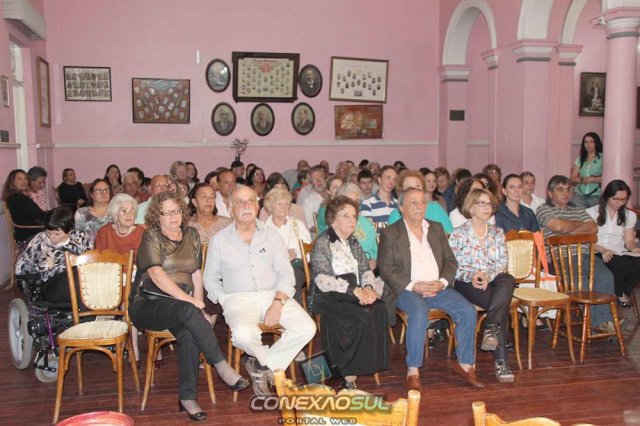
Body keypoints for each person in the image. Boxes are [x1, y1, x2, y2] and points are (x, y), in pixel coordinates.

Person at [128, 191, 248, 421]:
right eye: (167, 212)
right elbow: (156, 274)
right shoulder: (151, 236)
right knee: (187, 310)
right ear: (157, 216)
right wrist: (191, 302)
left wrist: (199, 308)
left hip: (181, 307)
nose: (173, 216)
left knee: (189, 332)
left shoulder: (191, 234)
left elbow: (196, 274)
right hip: (148, 304)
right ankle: (221, 366)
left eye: (177, 211)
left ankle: (187, 398)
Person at [203, 186, 316, 396]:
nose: (246, 206)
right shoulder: (219, 240)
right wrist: (223, 298)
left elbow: (286, 275)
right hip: (237, 299)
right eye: (240, 202)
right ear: (230, 208)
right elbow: (210, 278)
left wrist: (277, 303)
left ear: (257, 206)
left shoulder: (272, 236)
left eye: (251, 201)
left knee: (307, 328)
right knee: (243, 335)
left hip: (273, 295)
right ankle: (271, 365)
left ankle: (261, 365)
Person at [378, 188, 481, 391]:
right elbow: (385, 268)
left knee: (467, 310)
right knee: (419, 311)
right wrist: (413, 285)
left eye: (422, 202)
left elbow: (451, 261)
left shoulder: (435, 228)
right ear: (401, 208)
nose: (419, 207)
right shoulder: (391, 233)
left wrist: (441, 282)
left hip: (437, 288)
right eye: (413, 203)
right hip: (406, 289)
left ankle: (465, 364)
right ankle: (413, 369)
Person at [309, 195, 388, 390]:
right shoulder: (323, 241)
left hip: (353, 289)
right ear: (333, 219)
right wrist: (354, 292)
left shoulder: (352, 241)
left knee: (379, 308)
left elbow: (366, 270)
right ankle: (348, 374)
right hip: (329, 293)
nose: (352, 220)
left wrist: (368, 289)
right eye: (346, 216)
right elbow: (321, 279)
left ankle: (365, 364)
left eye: (354, 216)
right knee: (358, 314)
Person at [449, 188, 516, 383]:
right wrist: (474, 275)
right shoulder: (458, 234)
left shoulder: (497, 233)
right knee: (500, 304)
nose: (487, 208)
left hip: (493, 281)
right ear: (470, 207)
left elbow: (502, 263)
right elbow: (452, 267)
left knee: (508, 279)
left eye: (490, 204)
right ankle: (501, 362)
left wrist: (487, 275)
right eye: (482, 203)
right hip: (466, 282)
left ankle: (490, 328)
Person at [536, 175, 617, 332]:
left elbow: (593, 228)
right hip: (561, 257)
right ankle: (597, 324)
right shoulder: (543, 209)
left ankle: (606, 322)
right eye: (560, 190)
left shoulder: (578, 209)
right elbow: (558, 227)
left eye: (568, 190)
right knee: (583, 283)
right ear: (550, 193)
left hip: (585, 255)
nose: (566, 193)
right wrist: (578, 227)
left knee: (606, 277)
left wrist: (567, 230)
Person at [15, 207, 91, 305]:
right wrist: (45, 265)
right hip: (50, 284)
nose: (52, 237)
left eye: (57, 234)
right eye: (48, 233)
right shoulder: (39, 240)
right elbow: (20, 269)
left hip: (79, 279)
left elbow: (91, 260)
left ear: (70, 230)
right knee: (77, 280)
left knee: (82, 277)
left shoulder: (80, 237)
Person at [586, 180, 640, 307]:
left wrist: (633, 248)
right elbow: (587, 240)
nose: (619, 203)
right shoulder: (591, 213)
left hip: (618, 251)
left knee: (637, 262)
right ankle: (621, 296)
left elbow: (629, 240)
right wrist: (603, 250)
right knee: (622, 264)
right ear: (607, 196)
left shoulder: (629, 215)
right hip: (597, 250)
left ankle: (621, 293)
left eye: (623, 200)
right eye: (616, 199)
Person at [262, 188, 312, 304]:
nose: (284, 208)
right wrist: (283, 255)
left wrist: (295, 254)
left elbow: (309, 253)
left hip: (296, 267)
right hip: (272, 270)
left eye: (287, 204)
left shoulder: (297, 225)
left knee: (291, 279)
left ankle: (289, 309)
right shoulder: (263, 229)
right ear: (270, 206)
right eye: (280, 204)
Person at [387, 170, 453, 234]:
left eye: (417, 186)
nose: (414, 190)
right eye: (409, 187)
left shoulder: (436, 209)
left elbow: (449, 233)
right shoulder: (396, 215)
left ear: (423, 189)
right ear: (401, 191)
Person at [335, 183, 378, 268]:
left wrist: (374, 260)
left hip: (370, 268)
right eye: (349, 202)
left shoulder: (365, 222)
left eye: (356, 202)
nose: (353, 206)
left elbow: (375, 247)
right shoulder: (336, 224)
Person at [2, 169, 46, 242]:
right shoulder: (19, 198)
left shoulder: (13, 196)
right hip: (29, 234)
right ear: (12, 182)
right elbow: (39, 215)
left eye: (25, 178)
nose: (24, 181)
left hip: (26, 232)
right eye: (19, 179)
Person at [360, 165, 398, 233]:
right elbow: (368, 232)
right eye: (388, 178)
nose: (391, 182)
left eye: (394, 179)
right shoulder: (367, 204)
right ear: (379, 180)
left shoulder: (398, 204)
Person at [74, 178, 112, 245]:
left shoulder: (117, 212)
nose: (103, 193)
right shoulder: (82, 213)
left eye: (106, 190)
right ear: (92, 195)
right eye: (98, 191)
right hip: (88, 250)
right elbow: (77, 239)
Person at [571, 132, 603, 208]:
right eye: (586, 142)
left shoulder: (602, 158)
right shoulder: (580, 158)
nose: (588, 145)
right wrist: (583, 179)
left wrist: (592, 179)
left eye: (591, 142)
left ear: (596, 143)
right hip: (580, 196)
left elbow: (607, 177)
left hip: (597, 196)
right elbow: (573, 178)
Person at [300, 165, 327, 231]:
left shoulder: (333, 195)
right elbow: (307, 225)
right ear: (311, 183)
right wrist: (322, 229)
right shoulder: (308, 201)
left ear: (325, 179)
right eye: (314, 179)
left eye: (321, 178)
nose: (318, 181)